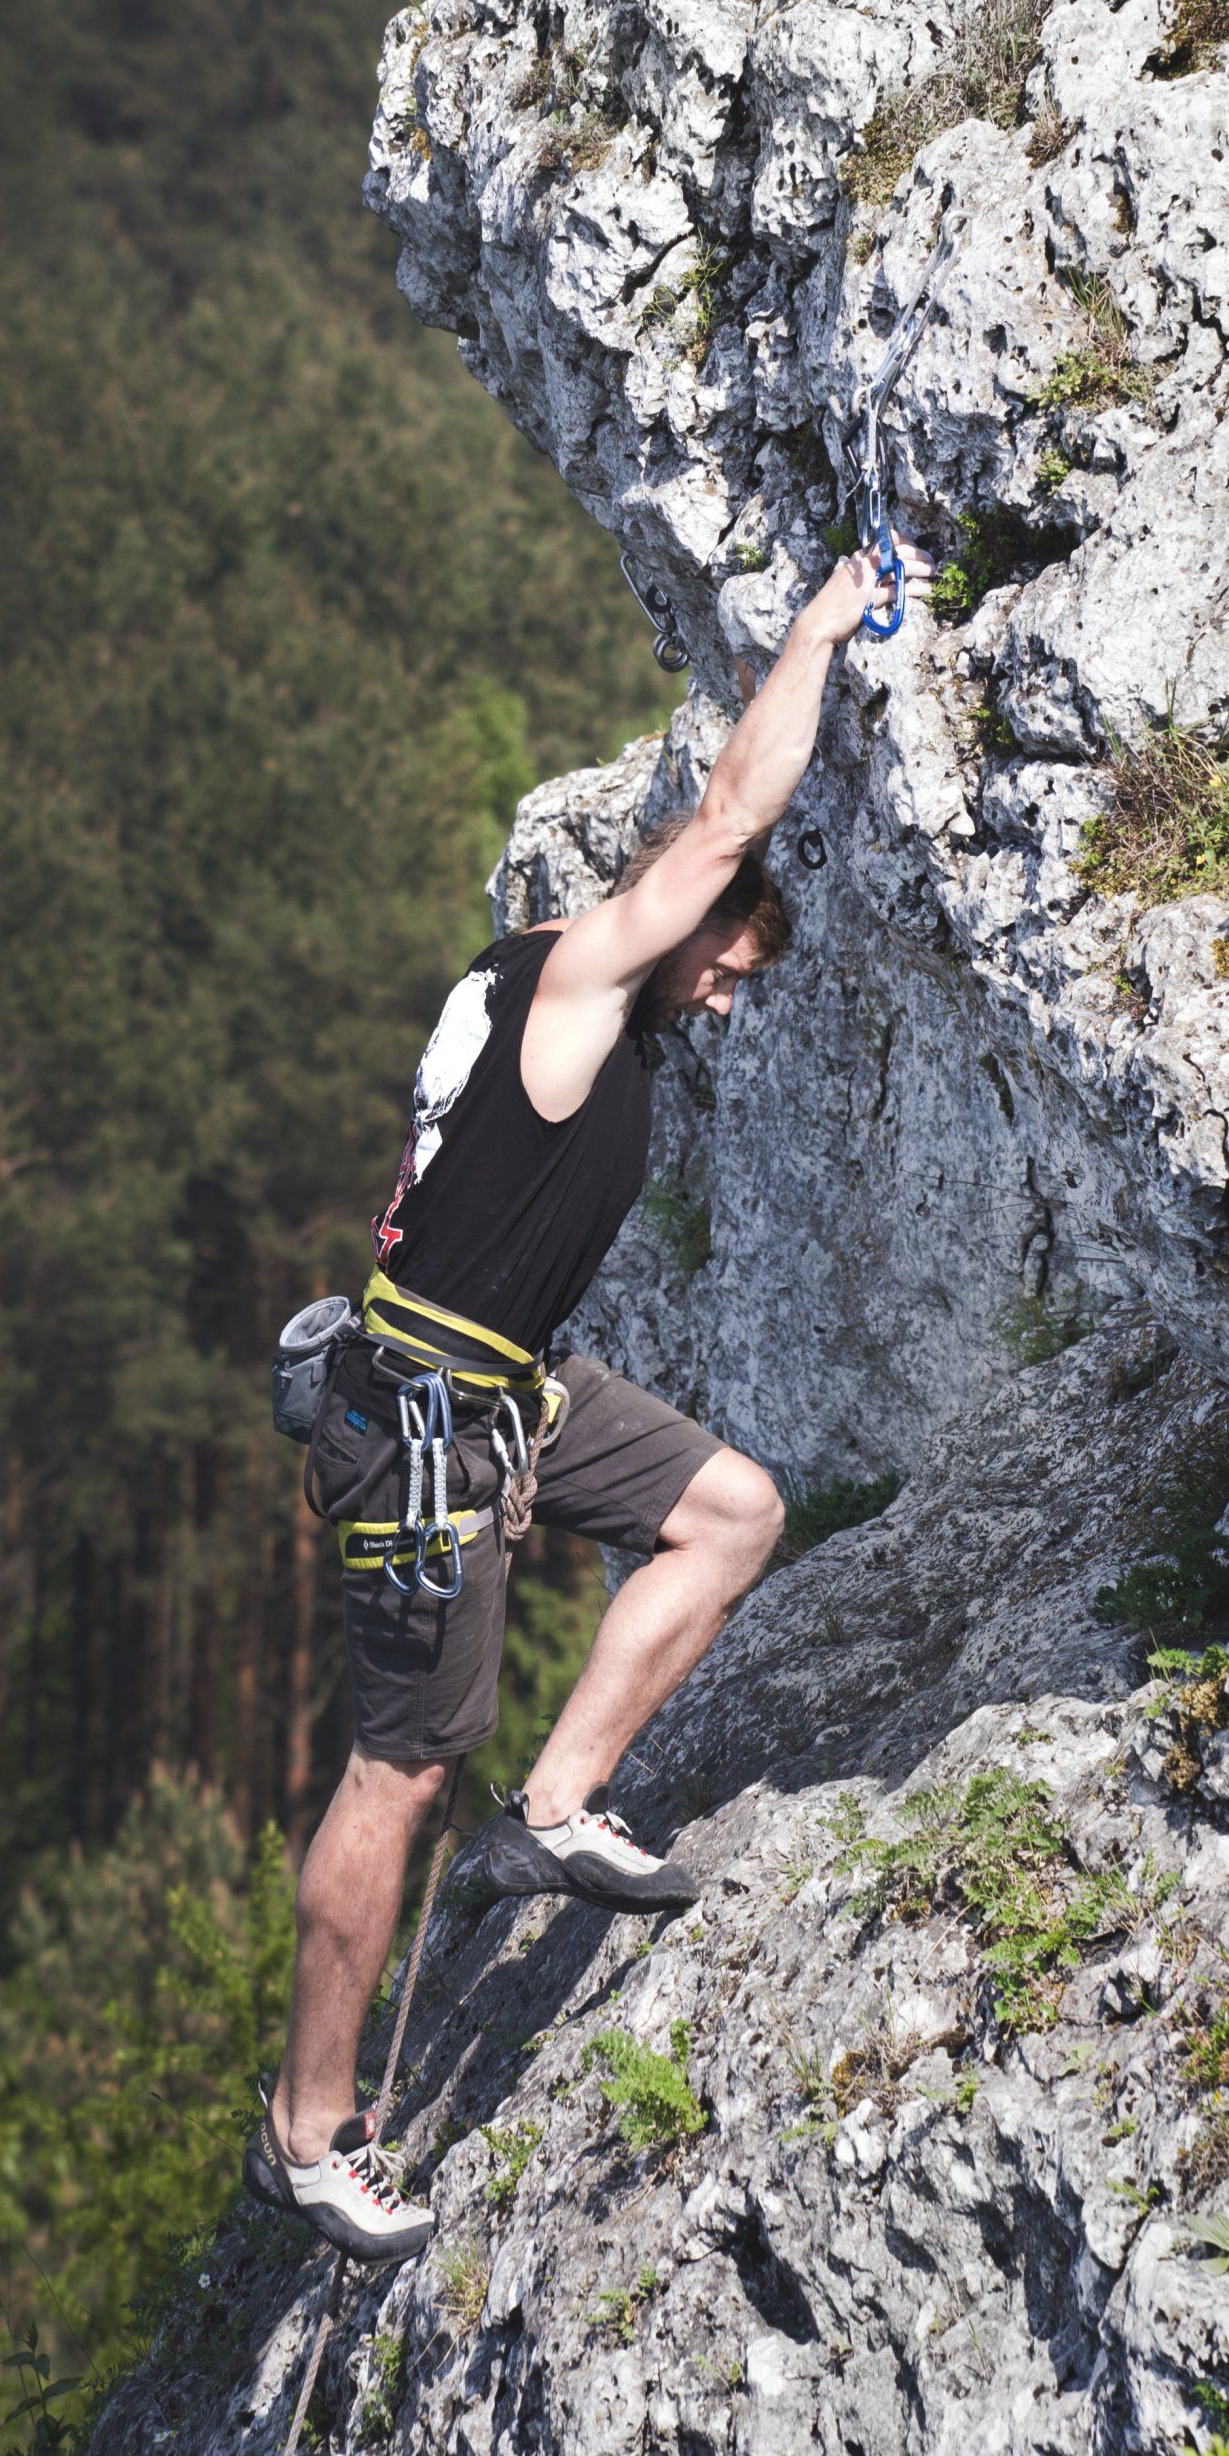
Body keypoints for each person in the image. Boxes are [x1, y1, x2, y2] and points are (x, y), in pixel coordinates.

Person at [244, 531, 929, 2258]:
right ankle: (307, 2132)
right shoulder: (578, 982)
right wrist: (826, 627)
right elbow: (723, 822)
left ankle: (559, 1808)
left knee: (733, 1510)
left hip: (498, 1387)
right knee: (399, 1771)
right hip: (420, 1422)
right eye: (723, 960)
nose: (722, 989)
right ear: (673, 921)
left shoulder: (533, 993)